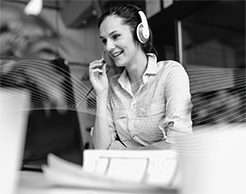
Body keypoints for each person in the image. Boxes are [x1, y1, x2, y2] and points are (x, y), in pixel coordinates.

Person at [89, 4, 192, 150]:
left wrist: (123, 152)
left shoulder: (170, 73)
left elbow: (178, 143)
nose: (108, 47)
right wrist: (101, 94)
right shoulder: (112, 86)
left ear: (140, 33)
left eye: (115, 36)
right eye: (104, 40)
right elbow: (101, 149)